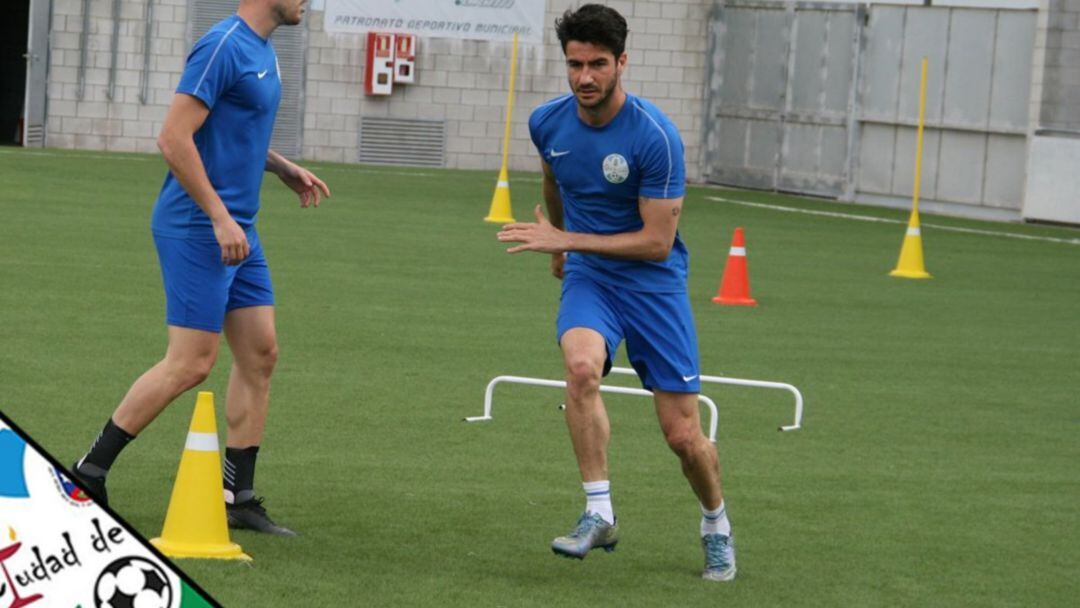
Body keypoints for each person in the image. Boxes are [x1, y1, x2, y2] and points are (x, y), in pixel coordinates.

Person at [496, 4, 736, 581]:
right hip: (592, 277)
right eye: (575, 64)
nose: (584, 77)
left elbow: (657, 242)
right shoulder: (547, 122)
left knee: (683, 437)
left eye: (597, 64)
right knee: (580, 369)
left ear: (622, 62)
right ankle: (598, 511)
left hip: (653, 286)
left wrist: (566, 237)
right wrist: (561, 247)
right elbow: (556, 181)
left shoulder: (656, 137)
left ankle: (715, 524)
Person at [71, 0, 328, 537]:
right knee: (190, 363)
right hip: (199, 227)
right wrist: (217, 217)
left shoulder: (263, 51)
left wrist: (281, 167)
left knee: (260, 354)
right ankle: (87, 473)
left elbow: (231, 131)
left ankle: (239, 496)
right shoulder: (222, 45)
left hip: (240, 230)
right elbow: (173, 137)